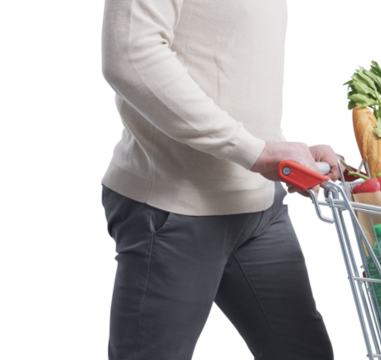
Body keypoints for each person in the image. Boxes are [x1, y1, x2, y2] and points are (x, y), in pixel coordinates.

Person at [101, 1, 336, 359]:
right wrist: (255, 153)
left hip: (261, 208)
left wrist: (285, 151)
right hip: (173, 210)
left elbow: (228, 60)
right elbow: (130, 54)